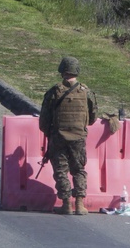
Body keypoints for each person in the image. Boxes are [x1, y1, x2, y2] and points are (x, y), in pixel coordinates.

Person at [39, 56, 98, 215]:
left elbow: (44, 118)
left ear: (62, 71)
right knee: (78, 169)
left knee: (61, 170)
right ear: (76, 71)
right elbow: (92, 117)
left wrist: (48, 133)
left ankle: (66, 204)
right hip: (78, 137)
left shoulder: (54, 92)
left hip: (58, 136)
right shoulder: (86, 92)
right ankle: (79, 204)